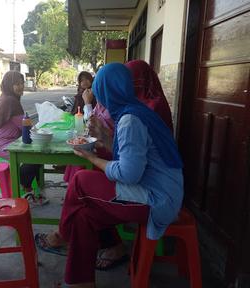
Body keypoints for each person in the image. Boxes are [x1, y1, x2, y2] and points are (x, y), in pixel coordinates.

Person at [36, 63, 184, 287]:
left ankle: (62, 234)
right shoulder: (135, 110)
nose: (99, 99)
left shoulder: (129, 119)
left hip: (156, 199)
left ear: (108, 91)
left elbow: (129, 173)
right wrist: (106, 139)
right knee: (84, 217)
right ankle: (79, 282)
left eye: (100, 91)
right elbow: (132, 155)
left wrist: (92, 158)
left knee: (81, 180)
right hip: (161, 191)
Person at [0, 71, 48, 206]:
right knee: (36, 156)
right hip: (4, 144)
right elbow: (25, 127)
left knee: (36, 154)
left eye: (22, 83)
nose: (21, 86)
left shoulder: (7, 98)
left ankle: (27, 187)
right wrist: (43, 133)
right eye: (17, 84)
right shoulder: (11, 101)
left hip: (6, 141)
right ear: (9, 85)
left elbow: (23, 126)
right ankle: (22, 187)